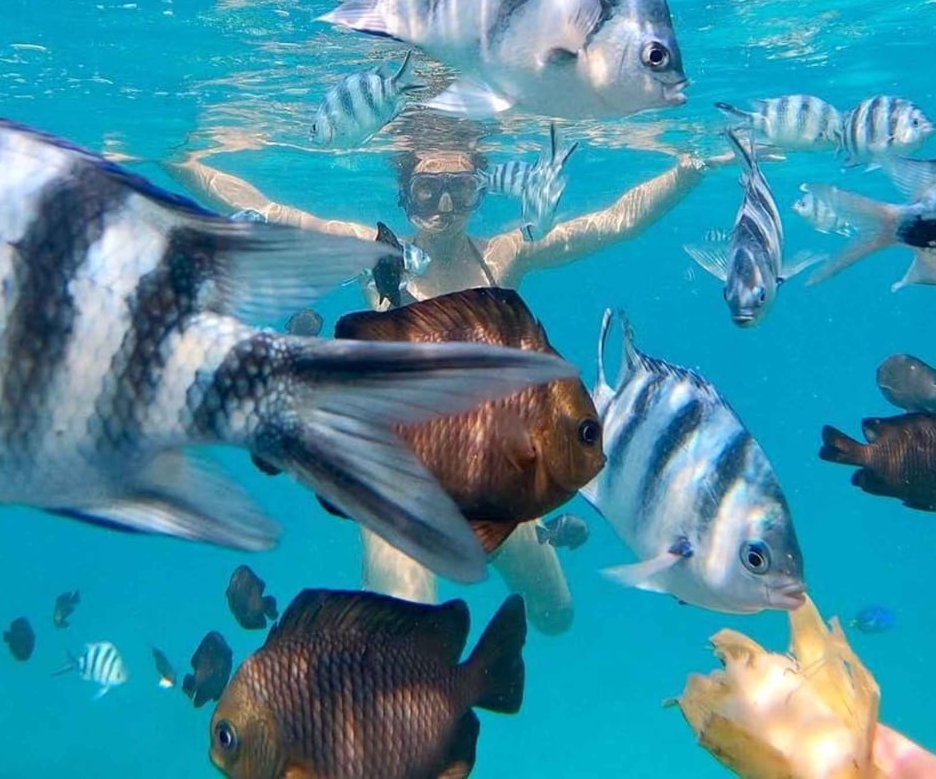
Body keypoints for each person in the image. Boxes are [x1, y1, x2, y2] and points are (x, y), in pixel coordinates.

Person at [165, 112, 726, 634]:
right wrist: (184, 164)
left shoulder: (503, 256)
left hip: (491, 471)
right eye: (427, 191)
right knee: (408, 625)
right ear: (404, 196)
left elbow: (605, 226)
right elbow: (279, 218)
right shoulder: (379, 256)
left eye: (460, 190)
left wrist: (688, 170)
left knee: (557, 613)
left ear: (479, 193)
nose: (443, 206)